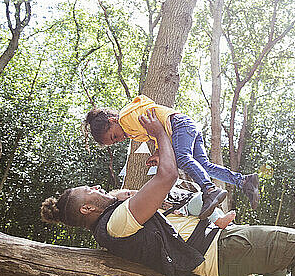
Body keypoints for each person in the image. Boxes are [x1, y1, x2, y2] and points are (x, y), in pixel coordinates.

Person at [43, 109, 295, 276]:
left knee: (281, 262)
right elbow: (168, 176)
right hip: (221, 250)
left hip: (219, 244)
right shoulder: (117, 222)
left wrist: (131, 182)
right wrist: (159, 135)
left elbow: (146, 195)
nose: (95, 188)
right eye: (88, 191)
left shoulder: (115, 220)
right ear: (86, 209)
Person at [83, 94, 260, 220]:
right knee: (204, 166)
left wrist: (161, 147)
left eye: (114, 136)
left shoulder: (126, 119)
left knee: (182, 158)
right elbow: (156, 133)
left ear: (112, 121)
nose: (119, 139)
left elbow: (155, 122)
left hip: (178, 125)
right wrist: (159, 152)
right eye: (114, 142)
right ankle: (244, 181)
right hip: (185, 125)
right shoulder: (131, 130)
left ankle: (209, 190)